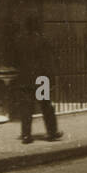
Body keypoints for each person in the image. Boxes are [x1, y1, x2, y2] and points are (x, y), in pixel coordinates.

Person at [14, 14, 63, 144]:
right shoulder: (42, 40)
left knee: (26, 107)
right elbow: (47, 61)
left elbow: (15, 61)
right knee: (46, 105)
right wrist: (50, 79)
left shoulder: (19, 40)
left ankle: (26, 135)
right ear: (37, 26)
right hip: (41, 78)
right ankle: (52, 133)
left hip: (24, 78)